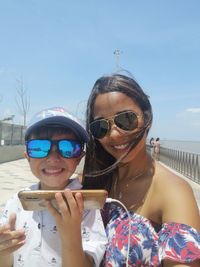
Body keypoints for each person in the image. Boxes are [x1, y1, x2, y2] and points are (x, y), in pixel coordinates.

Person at [82, 74, 200, 266]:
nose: (113, 134)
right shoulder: (95, 178)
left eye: (126, 119)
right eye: (101, 126)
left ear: (146, 118)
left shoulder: (173, 191)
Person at [0, 107, 107, 267]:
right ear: (27, 156)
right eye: (40, 147)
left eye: (68, 148)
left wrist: (71, 234)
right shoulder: (16, 203)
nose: (53, 157)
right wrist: (4, 252)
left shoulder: (86, 206)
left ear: (79, 158)